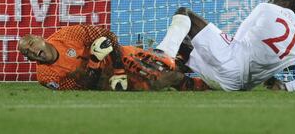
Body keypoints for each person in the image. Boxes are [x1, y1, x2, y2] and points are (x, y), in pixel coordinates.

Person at [156, 0, 295, 91]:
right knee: (186, 46)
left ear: (283, 4)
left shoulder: (265, 8)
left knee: (185, 14)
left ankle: (162, 57)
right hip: (235, 85)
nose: (268, 0)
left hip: (230, 61)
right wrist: (287, 87)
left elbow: (238, 41)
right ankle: (175, 78)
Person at [17, 25, 209, 91]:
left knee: (170, 64)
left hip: (121, 58)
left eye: (32, 45)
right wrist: (93, 61)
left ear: (41, 39)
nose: (32, 52)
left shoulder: (68, 35)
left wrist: (118, 69)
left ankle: (183, 51)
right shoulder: (46, 77)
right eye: (27, 53)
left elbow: (109, 36)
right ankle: (209, 86)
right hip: (106, 82)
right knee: (166, 79)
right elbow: (85, 86)